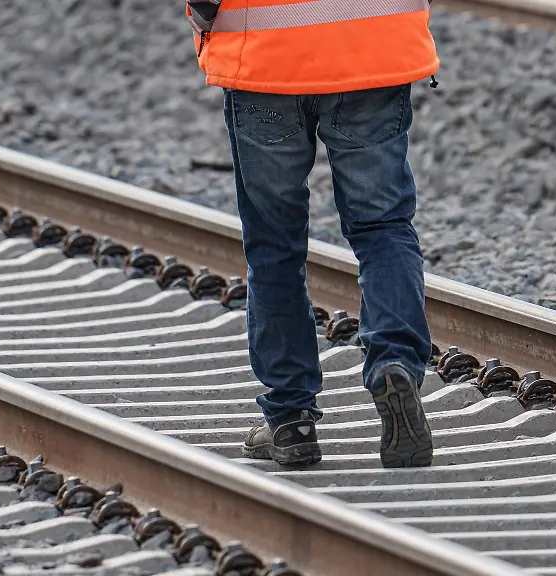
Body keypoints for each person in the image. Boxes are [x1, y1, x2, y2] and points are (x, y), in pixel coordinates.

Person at [186, 0, 439, 468]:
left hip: (263, 57)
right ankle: (395, 362)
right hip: (374, 51)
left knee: (274, 244)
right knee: (383, 227)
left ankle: (290, 419)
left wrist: (204, 21)